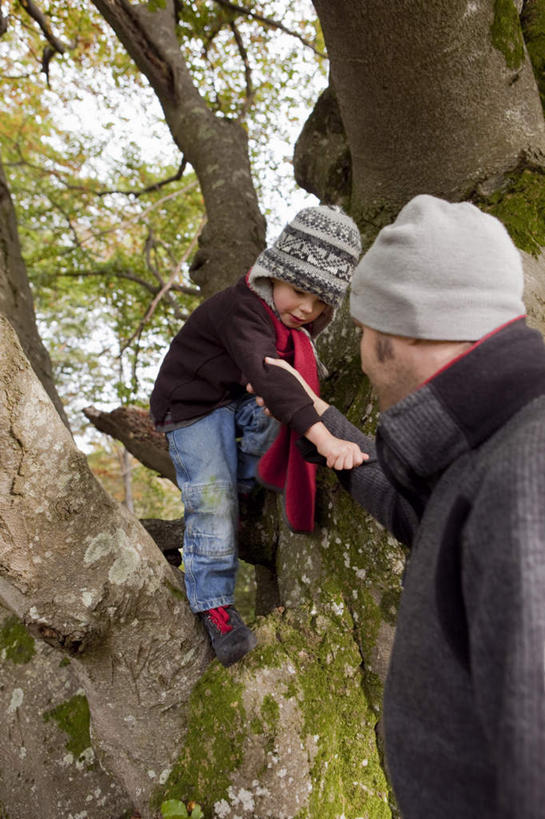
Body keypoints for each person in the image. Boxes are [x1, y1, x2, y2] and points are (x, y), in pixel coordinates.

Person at [254, 195, 545, 818]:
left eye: (362, 328)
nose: (360, 347)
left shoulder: (529, 476)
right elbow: (426, 516)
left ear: (401, 329)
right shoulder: (495, 448)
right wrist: (321, 422)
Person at [150, 205, 366, 667]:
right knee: (211, 497)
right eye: (299, 292)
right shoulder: (245, 309)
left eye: (321, 303)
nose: (306, 309)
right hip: (192, 407)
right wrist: (326, 440)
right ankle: (215, 607)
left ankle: (246, 491)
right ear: (274, 275)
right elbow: (273, 378)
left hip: (237, 398)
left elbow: (288, 381)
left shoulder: (293, 329)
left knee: (274, 415)